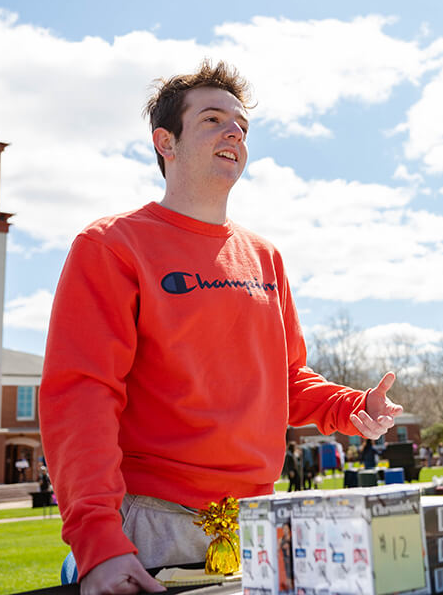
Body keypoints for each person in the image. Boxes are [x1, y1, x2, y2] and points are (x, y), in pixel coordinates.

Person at [40, 60, 403, 595]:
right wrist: (98, 541)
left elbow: (287, 379)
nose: (234, 131)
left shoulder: (265, 257)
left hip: (259, 524)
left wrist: (351, 407)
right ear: (166, 142)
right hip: (151, 529)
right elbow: (82, 397)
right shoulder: (111, 246)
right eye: (212, 119)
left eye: (241, 125)